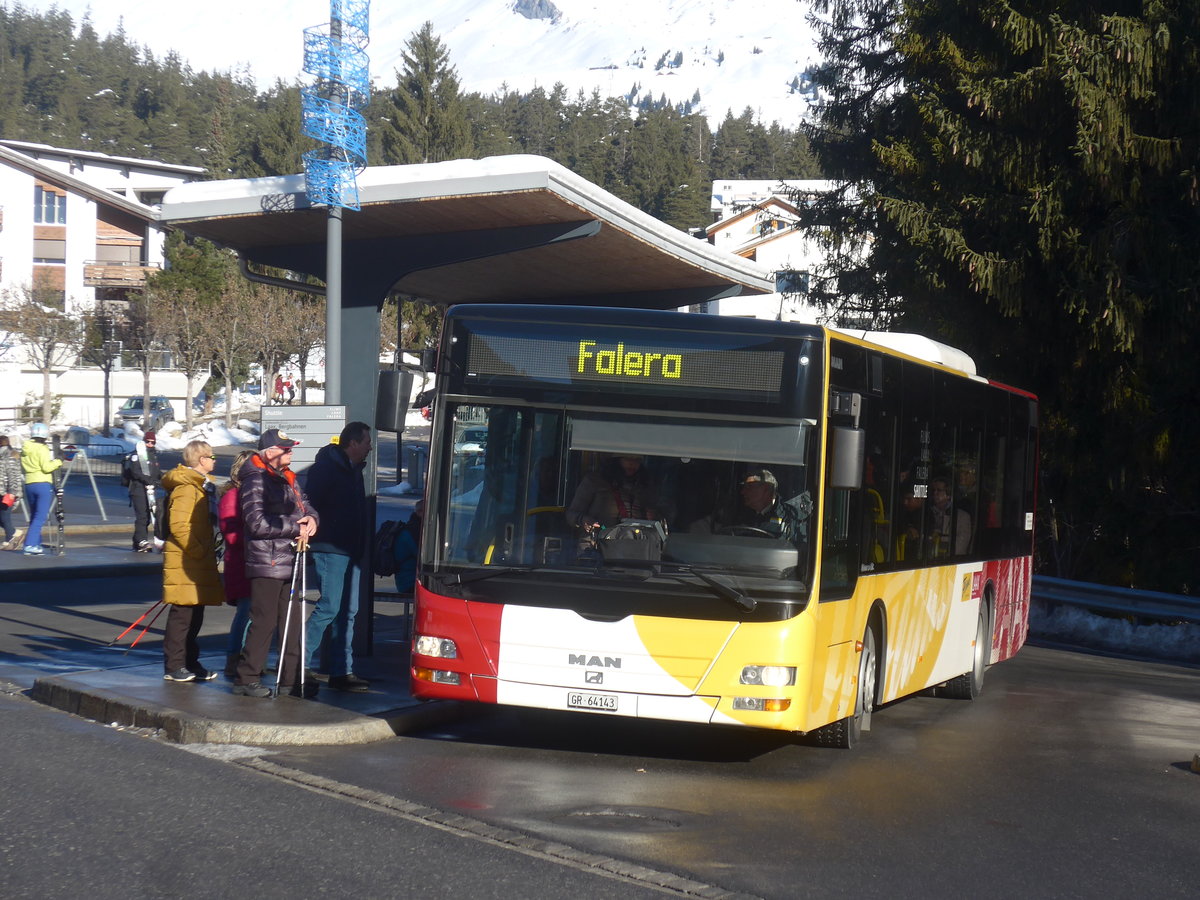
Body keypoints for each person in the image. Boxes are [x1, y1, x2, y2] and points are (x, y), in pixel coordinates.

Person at [233, 428, 318, 699]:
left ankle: (289, 679)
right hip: (267, 560)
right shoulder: (255, 479)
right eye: (286, 449)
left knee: (292, 622)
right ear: (270, 452)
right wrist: (296, 525)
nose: (291, 452)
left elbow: (307, 506)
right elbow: (256, 523)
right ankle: (247, 677)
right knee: (264, 621)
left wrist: (313, 520)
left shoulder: (287, 478)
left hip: (291, 557)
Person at [304, 422, 372, 693]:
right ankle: (298, 663)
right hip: (330, 548)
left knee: (348, 611)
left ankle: (341, 670)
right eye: (366, 441)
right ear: (353, 443)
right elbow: (310, 503)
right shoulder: (327, 468)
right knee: (330, 607)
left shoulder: (355, 471)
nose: (369, 447)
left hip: (351, 550)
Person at [160, 440, 225, 682]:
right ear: (201, 460)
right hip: (186, 560)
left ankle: (190, 662)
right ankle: (174, 665)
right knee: (183, 614)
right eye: (211, 456)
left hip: (196, 559)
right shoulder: (187, 488)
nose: (214, 460)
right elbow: (178, 526)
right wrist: (199, 551)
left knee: (195, 614)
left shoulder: (200, 486)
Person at [218, 449, 255, 679]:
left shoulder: (251, 494)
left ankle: (249, 657)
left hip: (254, 561)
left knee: (255, 614)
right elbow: (231, 534)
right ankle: (234, 659)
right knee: (245, 613)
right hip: (241, 564)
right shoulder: (232, 496)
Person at [567, 455, 657, 532]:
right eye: (627, 459)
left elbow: (659, 516)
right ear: (616, 460)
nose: (632, 463)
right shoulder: (594, 481)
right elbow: (571, 514)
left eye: (637, 460)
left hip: (635, 543)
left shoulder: (644, 486)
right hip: (597, 543)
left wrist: (653, 516)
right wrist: (583, 520)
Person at [20, 423, 61, 556]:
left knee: (34, 516)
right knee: (40, 517)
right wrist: (59, 461)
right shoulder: (42, 448)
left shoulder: (25, 448)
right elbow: (46, 468)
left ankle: (35, 543)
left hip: (29, 483)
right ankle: (30, 545)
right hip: (42, 483)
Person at [734, 468, 802, 543]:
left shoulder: (789, 517)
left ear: (766, 489)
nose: (743, 492)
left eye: (749, 487)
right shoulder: (740, 513)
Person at [126, 430, 161, 552]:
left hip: (150, 490)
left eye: (153, 442)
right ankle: (141, 540)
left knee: (149, 515)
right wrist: (147, 480)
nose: (150, 444)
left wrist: (161, 480)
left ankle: (138, 541)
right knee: (142, 515)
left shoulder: (153, 456)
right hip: (139, 489)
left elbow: (157, 473)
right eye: (148, 442)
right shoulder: (137, 455)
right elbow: (135, 472)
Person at [928, 476, 971, 557]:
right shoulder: (927, 513)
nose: (935, 493)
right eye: (933, 490)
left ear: (948, 494)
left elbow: (961, 545)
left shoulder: (962, 517)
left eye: (939, 490)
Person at [0, 435, 26, 551]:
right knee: (3, 517)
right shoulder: (3, 455)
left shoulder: (9, 455)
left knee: (4, 517)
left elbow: (13, 476)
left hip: (7, 492)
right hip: (2, 491)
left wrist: (12, 492)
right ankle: (11, 537)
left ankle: (14, 535)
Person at [393, 499, 423, 594]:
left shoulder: (412, 529)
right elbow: (422, 557)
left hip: (406, 581)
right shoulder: (412, 533)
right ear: (420, 512)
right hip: (409, 582)